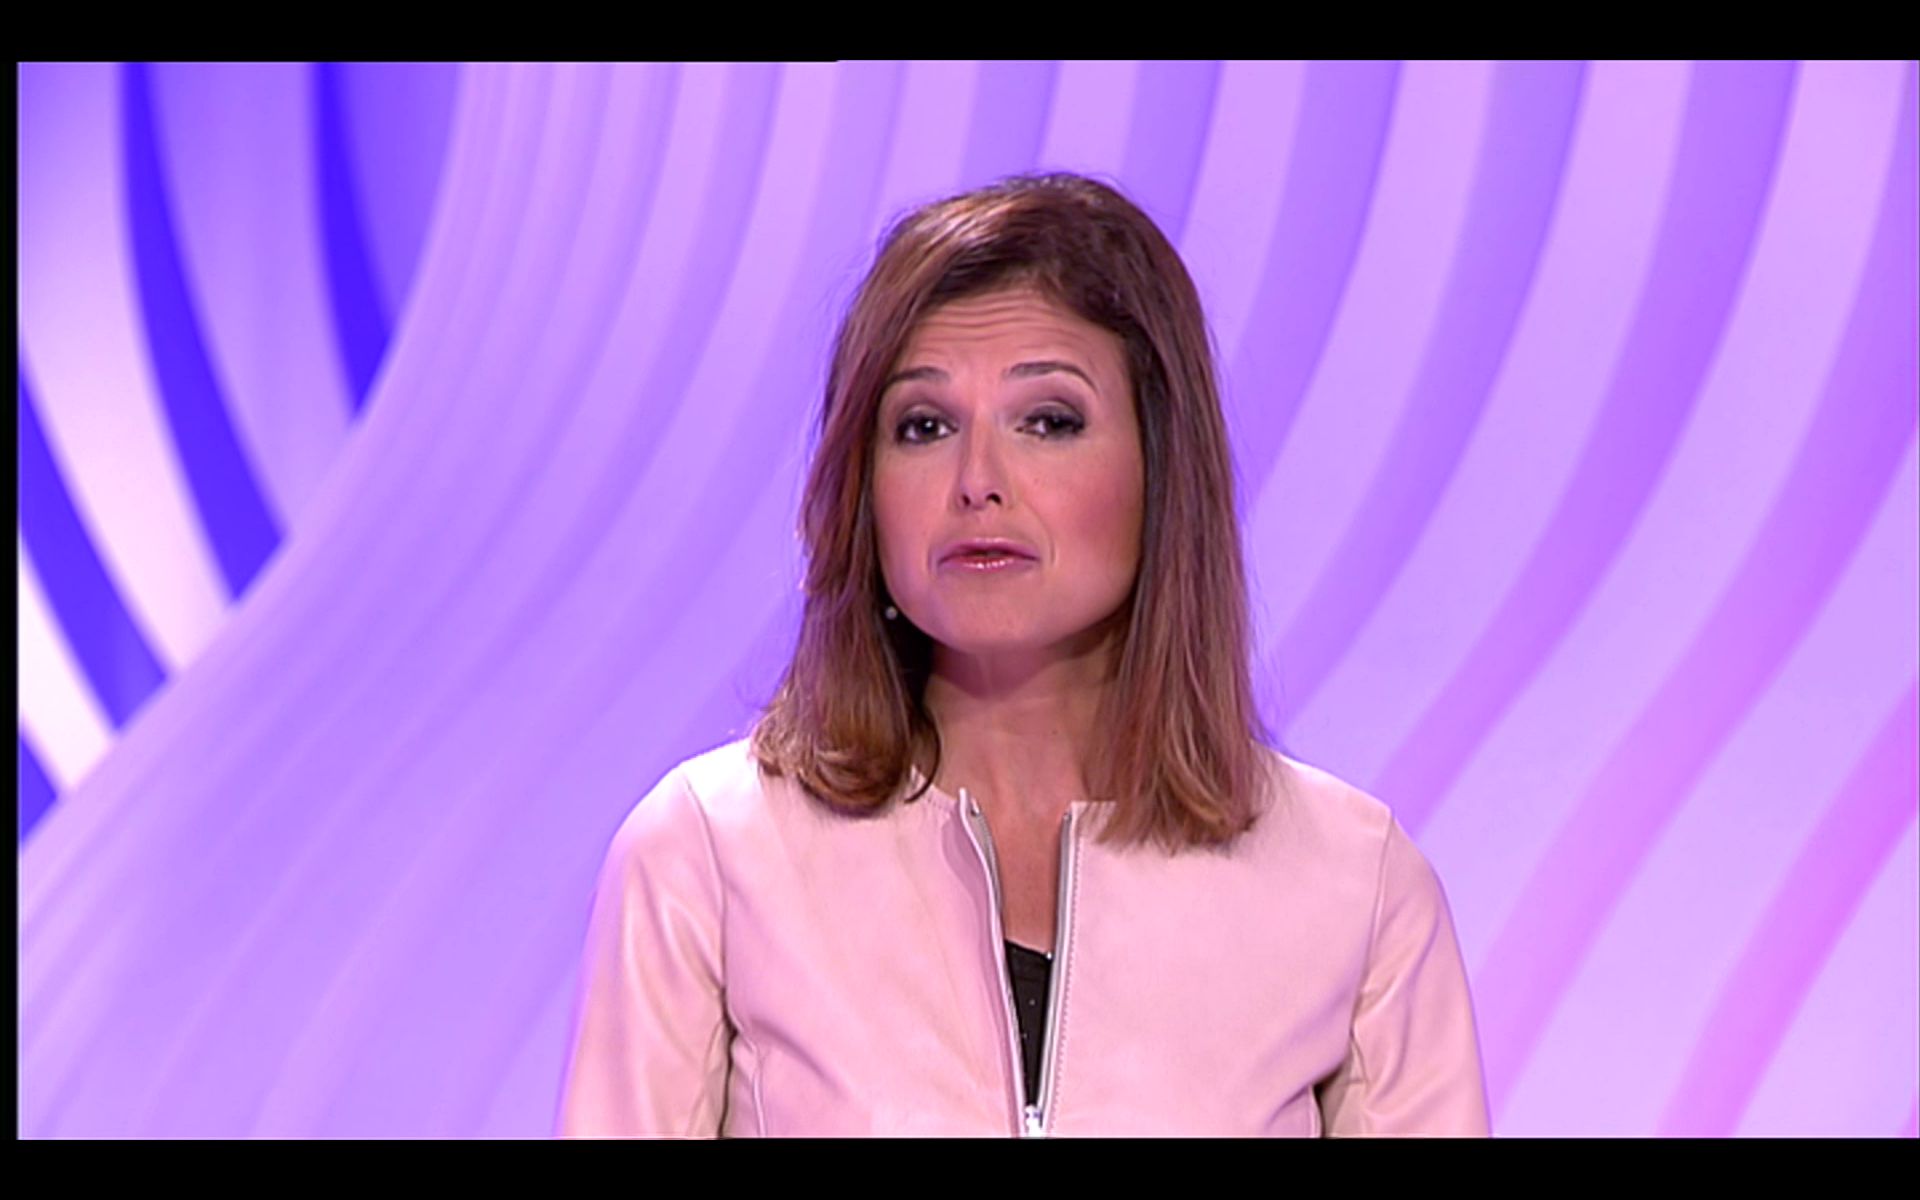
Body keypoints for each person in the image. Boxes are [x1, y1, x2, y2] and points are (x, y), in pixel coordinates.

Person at [555, 172, 1490, 1137]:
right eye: (924, 427)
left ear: (1161, 469)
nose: (978, 482)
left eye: (1048, 421)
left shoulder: (1354, 885)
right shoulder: (709, 856)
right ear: (862, 488)